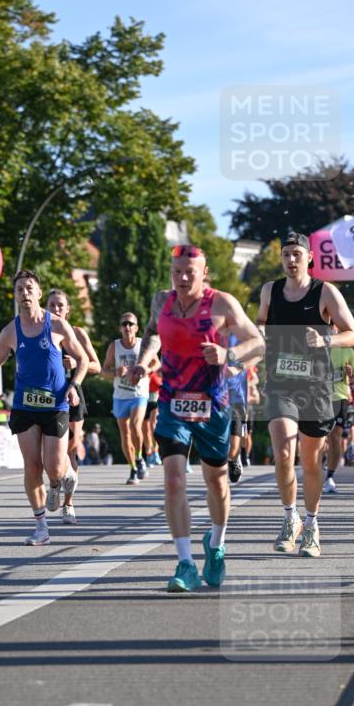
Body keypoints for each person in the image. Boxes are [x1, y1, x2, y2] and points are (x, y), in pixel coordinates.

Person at [131, 244, 264, 592]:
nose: (182, 278)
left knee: (216, 481)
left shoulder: (222, 303)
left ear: (204, 273)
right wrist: (143, 363)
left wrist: (228, 354)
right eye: (176, 271)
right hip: (172, 401)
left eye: (190, 272)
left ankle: (216, 545)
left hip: (213, 405)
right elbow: (152, 333)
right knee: (174, 480)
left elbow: (258, 343)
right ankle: (185, 563)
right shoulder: (162, 300)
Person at [256, 231, 354, 557]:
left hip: (315, 388)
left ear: (309, 258)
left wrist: (326, 339)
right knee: (284, 452)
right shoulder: (270, 291)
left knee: (311, 462)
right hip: (280, 384)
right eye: (286, 254)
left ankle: (312, 524)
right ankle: (290, 518)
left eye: (297, 255)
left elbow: (353, 334)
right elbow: (260, 326)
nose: (291, 260)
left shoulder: (325, 292)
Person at [0, 269, 88, 545]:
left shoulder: (58, 325)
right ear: (15, 296)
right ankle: (41, 528)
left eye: (29, 288)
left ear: (39, 293)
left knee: (54, 468)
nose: (25, 293)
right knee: (32, 466)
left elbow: (83, 360)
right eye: (19, 289)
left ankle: (62, 478)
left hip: (56, 404)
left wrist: (74, 385)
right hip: (25, 405)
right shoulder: (10, 332)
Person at [45, 289, 101, 525]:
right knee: (50, 453)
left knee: (71, 449)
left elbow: (96, 366)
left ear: (68, 309)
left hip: (72, 395)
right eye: (52, 305)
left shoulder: (77, 333)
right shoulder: (39, 332)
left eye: (60, 305)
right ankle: (54, 483)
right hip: (47, 397)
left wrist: (76, 364)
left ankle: (68, 504)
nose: (56, 309)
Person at [102, 313, 159, 485]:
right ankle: (134, 467)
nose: (127, 327)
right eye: (124, 324)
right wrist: (115, 372)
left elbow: (157, 363)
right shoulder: (114, 346)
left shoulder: (143, 344)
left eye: (130, 324)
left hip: (139, 394)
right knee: (125, 434)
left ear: (136, 328)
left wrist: (146, 370)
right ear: (120, 328)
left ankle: (140, 457)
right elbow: (103, 370)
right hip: (120, 396)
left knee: (135, 425)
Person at [324, 328, 354, 493]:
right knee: (318, 438)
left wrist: (351, 374)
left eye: (335, 325)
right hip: (319, 397)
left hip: (339, 397)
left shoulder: (347, 350)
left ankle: (329, 476)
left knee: (335, 437)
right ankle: (315, 469)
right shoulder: (317, 346)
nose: (333, 328)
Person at [225, 333, 249, 484]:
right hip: (213, 396)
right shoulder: (206, 328)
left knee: (233, 448)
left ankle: (234, 457)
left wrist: (238, 367)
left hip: (236, 398)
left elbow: (258, 353)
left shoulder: (241, 331)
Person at [142, 369, 163, 466]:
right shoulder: (140, 371)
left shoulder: (156, 371)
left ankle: (155, 452)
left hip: (154, 401)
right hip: (142, 403)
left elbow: (161, 384)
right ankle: (149, 454)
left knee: (153, 426)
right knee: (145, 431)